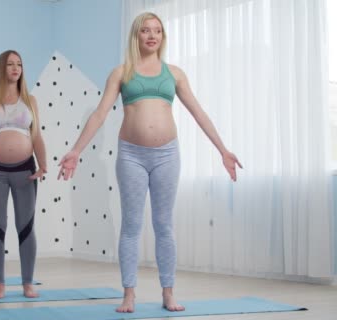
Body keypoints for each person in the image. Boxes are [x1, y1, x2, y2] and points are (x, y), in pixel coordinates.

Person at [58, 12, 242, 313]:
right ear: (136, 36)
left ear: (162, 37)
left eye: (157, 31)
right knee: (131, 225)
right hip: (131, 154)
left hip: (167, 154)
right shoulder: (121, 72)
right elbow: (100, 114)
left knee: (164, 224)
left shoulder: (176, 74)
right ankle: (128, 294)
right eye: (145, 30)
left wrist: (222, 149)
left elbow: (198, 112)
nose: (152, 35)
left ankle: (168, 293)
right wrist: (76, 150)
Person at [0, 50, 47, 299]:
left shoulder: (30, 100)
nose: (15, 68)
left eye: (19, 64)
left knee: (26, 226)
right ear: (0, 68)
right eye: (10, 64)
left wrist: (43, 165)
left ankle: (27, 282)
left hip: (25, 171)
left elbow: (36, 136)